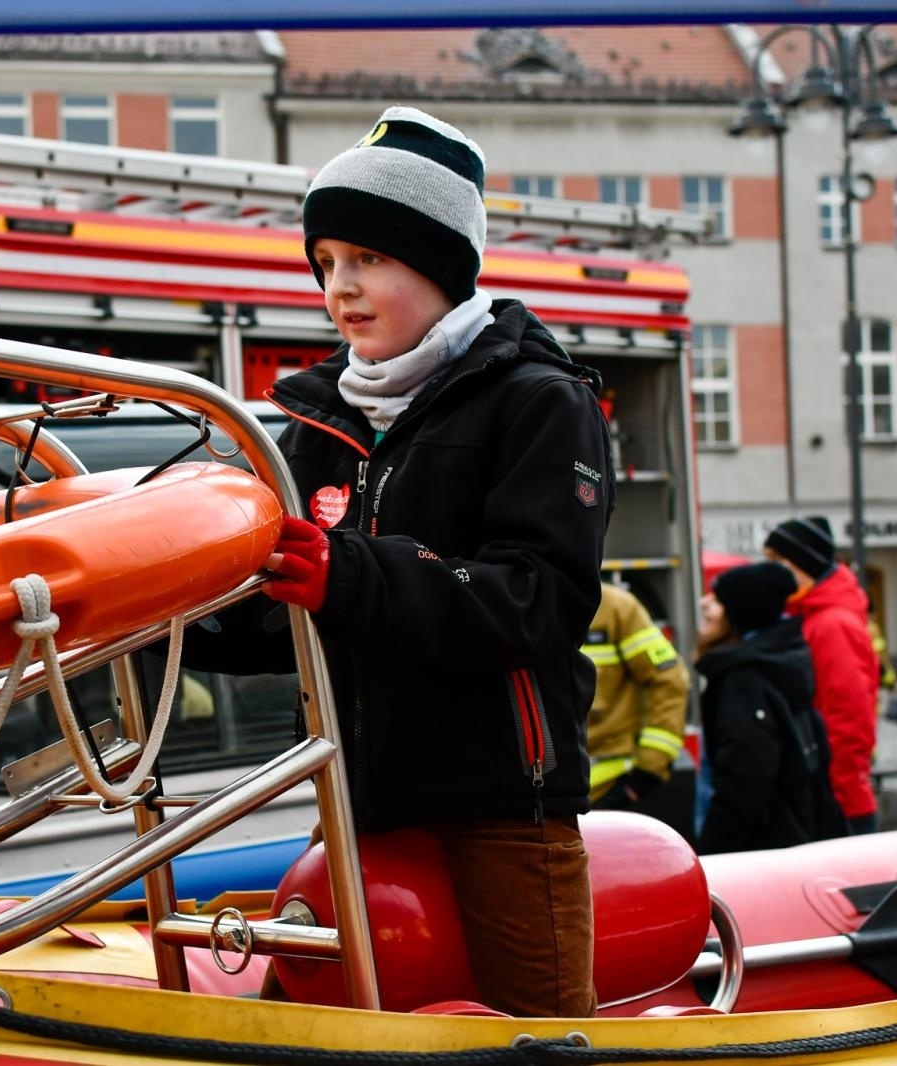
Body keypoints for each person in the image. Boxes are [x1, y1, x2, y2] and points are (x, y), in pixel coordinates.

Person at [252, 106, 614, 1017]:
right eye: (326, 262)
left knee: (539, 1035)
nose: (340, 287)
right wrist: (173, 613)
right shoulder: (316, 424)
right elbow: (286, 615)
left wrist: (353, 576)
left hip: (502, 810)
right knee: (299, 1025)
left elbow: (540, 599)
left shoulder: (538, 401)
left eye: (369, 258)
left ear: (443, 267)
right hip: (357, 798)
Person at [695, 562, 848, 854]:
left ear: (738, 614)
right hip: (789, 841)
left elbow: (743, 783)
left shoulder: (744, 681)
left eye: (716, 604)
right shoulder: (778, 662)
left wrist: (712, 853)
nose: (706, 608)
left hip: (758, 849)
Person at [762, 516, 880, 834]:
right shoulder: (812, 615)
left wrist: (831, 793)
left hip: (837, 800)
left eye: (776, 560)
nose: (769, 569)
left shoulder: (831, 624)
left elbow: (848, 720)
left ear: (804, 564)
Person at [583, 583, 689, 810]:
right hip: (528, 796)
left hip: (604, 788)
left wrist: (648, 770)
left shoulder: (616, 608)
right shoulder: (512, 605)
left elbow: (669, 681)